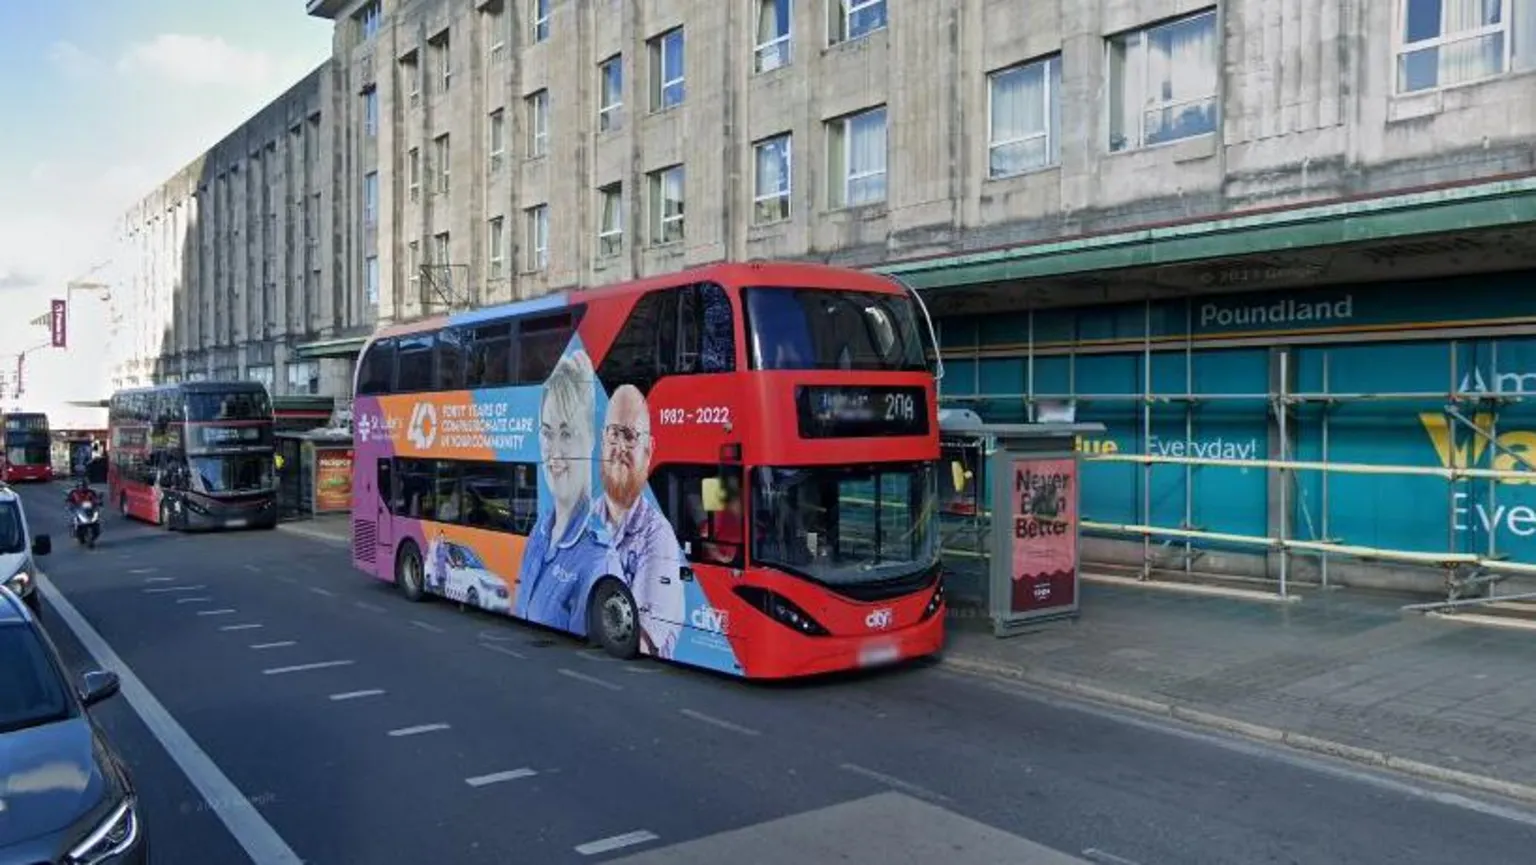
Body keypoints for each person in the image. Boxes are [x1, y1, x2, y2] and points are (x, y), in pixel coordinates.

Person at [515, 350, 606, 630]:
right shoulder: (539, 532)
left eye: (566, 434)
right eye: (547, 432)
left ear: (590, 437)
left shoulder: (598, 558)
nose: (553, 453)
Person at [593, 384, 685, 658]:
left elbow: (642, 641)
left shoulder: (659, 536)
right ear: (602, 439)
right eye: (614, 434)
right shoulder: (584, 520)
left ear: (649, 450)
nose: (620, 447)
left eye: (630, 436)